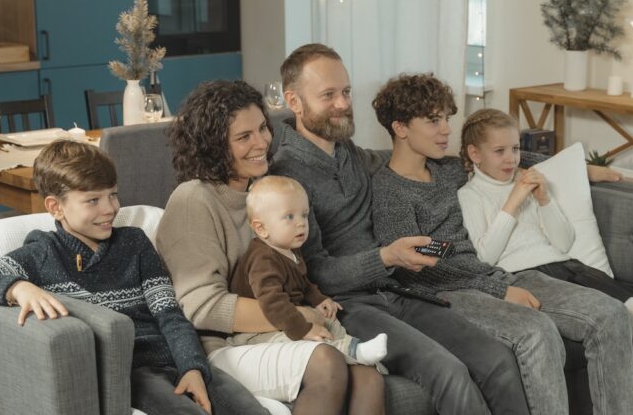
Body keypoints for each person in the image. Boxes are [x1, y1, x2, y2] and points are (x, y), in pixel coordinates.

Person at [270, 43, 530, 415]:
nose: (343, 104)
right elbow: (315, 271)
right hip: (350, 306)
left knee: (497, 358)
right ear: (294, 102)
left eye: (345, 92)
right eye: (328, 95)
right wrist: (386, 256)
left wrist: (552, 161)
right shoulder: (286, 175)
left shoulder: (348, 151)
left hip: (399, 290)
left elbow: (400, 161)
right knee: (449, 372)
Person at [369, 73, 633, 414]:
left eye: (447, 119)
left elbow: (513, 160)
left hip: (496, 276)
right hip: (450, 291)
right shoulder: (389, 192)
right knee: (537, 333)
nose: (446, 130)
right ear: (400, 128)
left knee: (611, 314)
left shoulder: (448, 170)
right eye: (433, 121)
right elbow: (419, 270)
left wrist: (582, 170)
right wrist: (496, 290)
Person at [0, 140, 267, 415]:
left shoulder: (135, 243)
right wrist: (17, 287)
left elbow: (169, 313)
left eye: (112, 194)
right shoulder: (40, 255)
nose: (110, 208)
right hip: (130, 371)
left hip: (174, 355)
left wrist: (192, 366)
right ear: (55, 207)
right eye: (93, 200)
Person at [156, 80, 384, 415]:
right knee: (326, 360)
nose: (262, 142)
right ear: (214, 146)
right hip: (218, 346)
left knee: (368, 377)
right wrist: (299, 317)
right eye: (244, 137)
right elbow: (200, 306)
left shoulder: (267, 193)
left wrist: (313, 306)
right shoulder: (194, 199)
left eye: (262, 128)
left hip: (279, 333)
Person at [457, 108, 633, 415]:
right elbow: (486, 257)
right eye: (500, 151)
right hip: (527, 273)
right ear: (474, 154)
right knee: (614, 318)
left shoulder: (528, 184)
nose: (511, 159)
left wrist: (544, 199)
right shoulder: (471, 195)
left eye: (516, 149)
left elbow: (563, 242)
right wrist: (514, 200)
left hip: (568, 265)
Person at [231, 175, 388, 373]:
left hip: (286, 319)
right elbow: (272, 302)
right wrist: (303, 329)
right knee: (310, 345)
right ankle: (352, 353)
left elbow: (303, 283)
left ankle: (354, 348)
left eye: (304, 215)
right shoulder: (263, 259)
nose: (301, 224)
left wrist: (318, 299)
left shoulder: (289, 249)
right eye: (289, 217)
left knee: (331, 320)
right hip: (258, 333)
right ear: (261, 228)